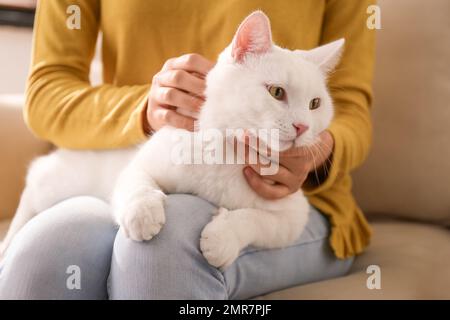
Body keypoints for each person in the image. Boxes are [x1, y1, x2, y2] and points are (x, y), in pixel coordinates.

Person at [0, 0, 375, 299]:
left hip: (294, 201)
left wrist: (316, 151)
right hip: (147, 160)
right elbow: (47, 92)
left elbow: (353, 113)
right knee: (44, 254)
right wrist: (146, 109)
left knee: (163, 249)